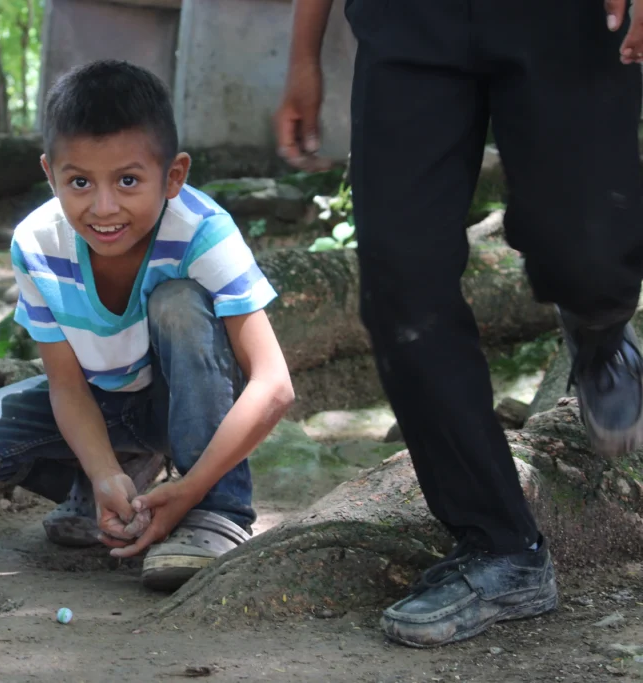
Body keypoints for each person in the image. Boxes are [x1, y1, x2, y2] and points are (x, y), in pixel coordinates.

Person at [275, 0, 643, 649]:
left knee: (582, 248)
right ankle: (500, 546)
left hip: (566, 16)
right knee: (401, 281)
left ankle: (599, 328)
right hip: (408, 20)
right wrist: (303, 57)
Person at [0, 59, 295, 591]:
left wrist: (190, 491)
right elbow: (67, 385)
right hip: (105, 405)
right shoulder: (36, 244)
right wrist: (102, 474)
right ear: (49, 173)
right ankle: (124, 483)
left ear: (173, 176)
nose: (103, 207)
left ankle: (216, 513)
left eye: (127, 180)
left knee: (177, 303)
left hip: (187, 406)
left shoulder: (202, 232)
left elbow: (274, 385)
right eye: (78, 181)